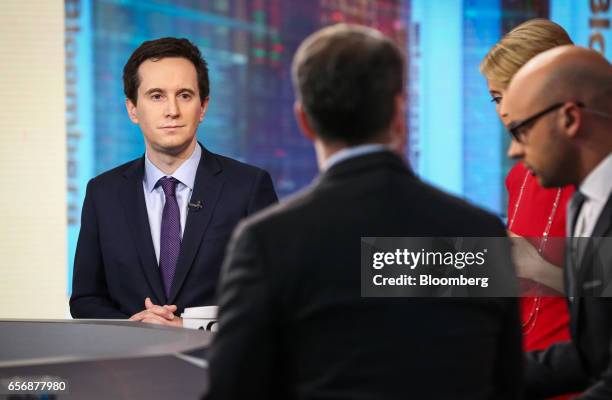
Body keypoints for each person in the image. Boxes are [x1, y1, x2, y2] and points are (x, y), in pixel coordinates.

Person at [204, 24, 522, 400]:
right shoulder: (479, 230)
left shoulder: (268, 241)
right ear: (399, 112)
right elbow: (508, 384)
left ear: (304, 120)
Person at [70, 37, 278, 326]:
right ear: (132, 109)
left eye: (184, 95)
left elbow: (274, 298)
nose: (172, 110)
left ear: (203, 107)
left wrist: (191, 327)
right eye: (156, 96)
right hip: (130, 368)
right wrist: (133, 326)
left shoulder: (249, 187)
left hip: (220, 365)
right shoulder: (103, 193)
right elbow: (85, 299)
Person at [500, 45, 612, 399]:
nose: (513, 151)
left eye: (522, 131)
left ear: (569, 119)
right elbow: (590, 358)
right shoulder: (582, 205)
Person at [480, 19, 574, 355]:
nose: (506, 111)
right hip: (524, 369)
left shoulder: (598, 172)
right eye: (496, 98)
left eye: (516, 92)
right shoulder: (517, 177)